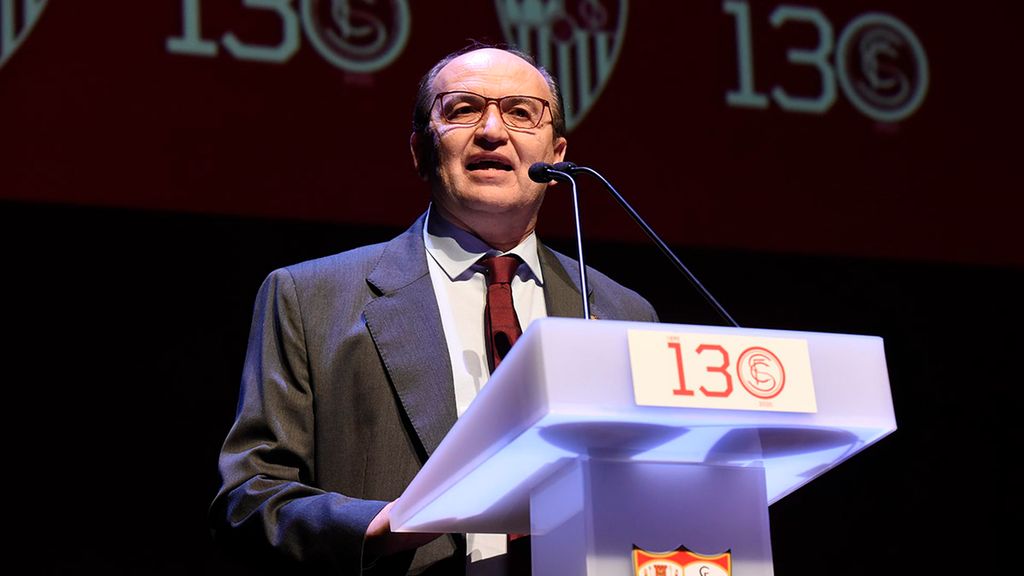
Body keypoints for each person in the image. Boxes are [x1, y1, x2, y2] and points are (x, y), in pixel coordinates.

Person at [210, 44, 658, 575]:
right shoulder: (309, 298)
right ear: (420, 150)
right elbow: (249, 500)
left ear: (557, 155)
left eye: (520, 112)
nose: (493, 130)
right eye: (463, 109)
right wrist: (377, 526)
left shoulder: (622, 311)